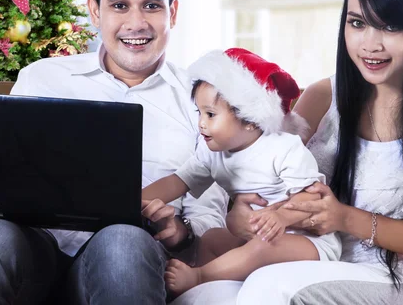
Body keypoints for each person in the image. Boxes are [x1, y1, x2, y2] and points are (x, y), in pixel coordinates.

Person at [173, 0, 403, 305]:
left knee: (267, 290)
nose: (369, 44)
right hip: (303, 254)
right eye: (357, 23)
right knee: (201, 298)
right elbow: (264, 173)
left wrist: (344, 218)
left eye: (390, 27)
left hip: (386, 279)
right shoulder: (323, 96)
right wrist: (238, 217)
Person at [0, 0, 229, 305]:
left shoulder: (199, 101)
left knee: (122, 241)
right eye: (119, 4)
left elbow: (210, 213)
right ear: (94, 10)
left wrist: (181, 231)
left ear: (172, 13)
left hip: (129, 259)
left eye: (152, 5)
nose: (136, 23)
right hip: (32, 253)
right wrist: (9, 199)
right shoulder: (43, 78)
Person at [142, 48, 342, 297]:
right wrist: (134, 200)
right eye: (200, 113)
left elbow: (312, 199)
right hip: (256, 235)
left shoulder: (283, 148)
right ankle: (208, 288)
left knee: (263, 246)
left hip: (307, 242)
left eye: (211, 114)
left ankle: (200, 276)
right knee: (212, 239)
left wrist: (281, 217)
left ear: (250, 119)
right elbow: (177, 181)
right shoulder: (212, 152)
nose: (201, 123)